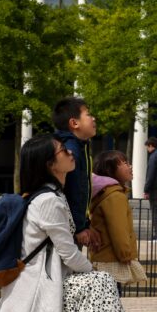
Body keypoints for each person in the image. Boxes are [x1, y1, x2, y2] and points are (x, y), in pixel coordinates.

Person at [0, 135, 137, 312]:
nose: (71, 153)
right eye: (63, 150)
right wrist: (91, 269)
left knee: (100, 279)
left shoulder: (53, 195)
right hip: (40, 280)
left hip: (50, 275)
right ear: (50, 164)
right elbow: (68, 253)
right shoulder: (48, 201)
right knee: (101, 279)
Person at [90, 151, 147, 290]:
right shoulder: (115, 196)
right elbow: (118, 229)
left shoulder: (105, 193)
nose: (130, 166)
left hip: (103, 258)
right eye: (125, 163)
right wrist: (125, 254)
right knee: (113, 298)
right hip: (113, 259)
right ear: (110, 170)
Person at [52, 97, 100, 250]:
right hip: (69, 229)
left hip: (70, 225)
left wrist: (84, 224)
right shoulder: (71, 150)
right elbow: (75, 190)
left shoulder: (79, 147)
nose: (94, 118)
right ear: (74, 123)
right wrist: (79, 227)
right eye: (88, 114)